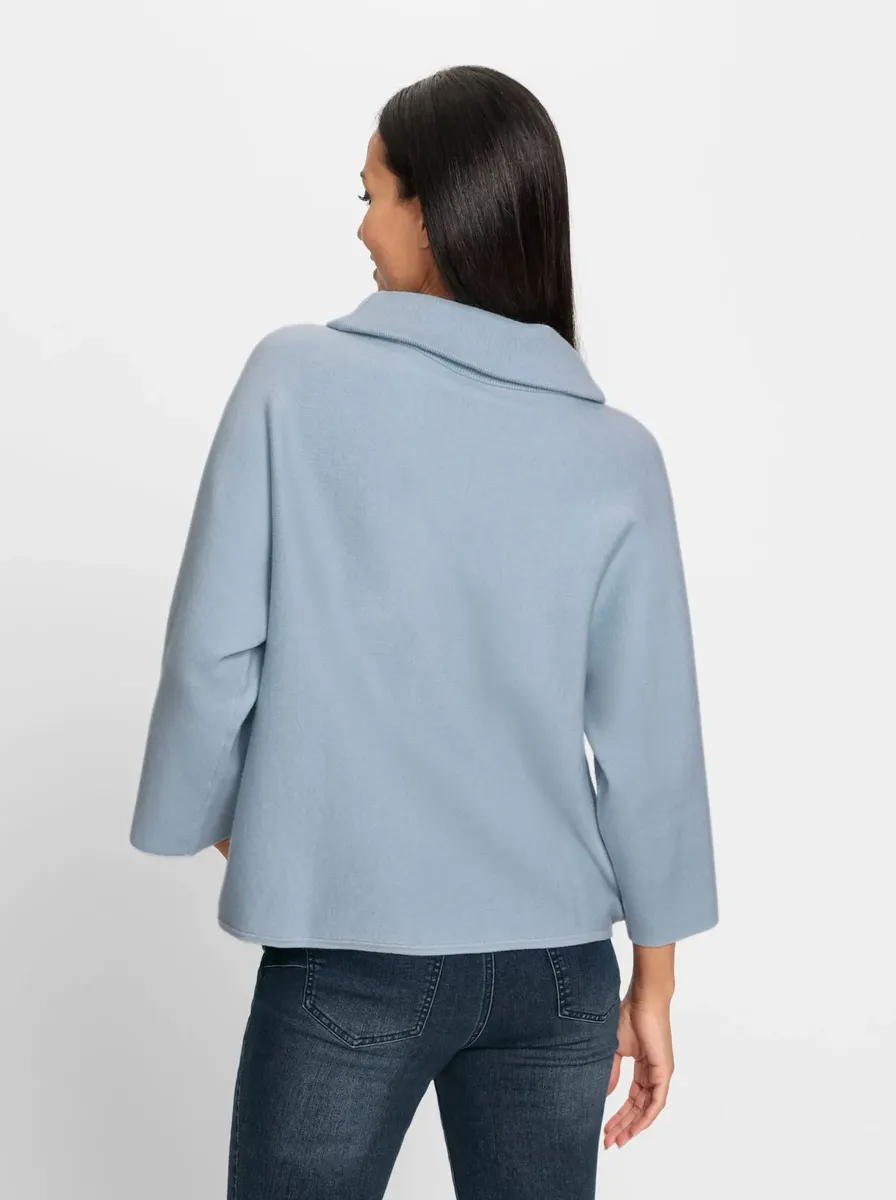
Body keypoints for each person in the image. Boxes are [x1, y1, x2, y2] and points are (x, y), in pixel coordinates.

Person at [129, 64, 719, 1200]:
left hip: (353, 956)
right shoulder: (617, 455)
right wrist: (653, 980)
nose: (361, 226)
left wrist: (229, 823)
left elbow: (212, 656)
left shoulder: (293, 381)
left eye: (372, 194)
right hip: (559, 971)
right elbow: (653, 745)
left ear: (434, 210)